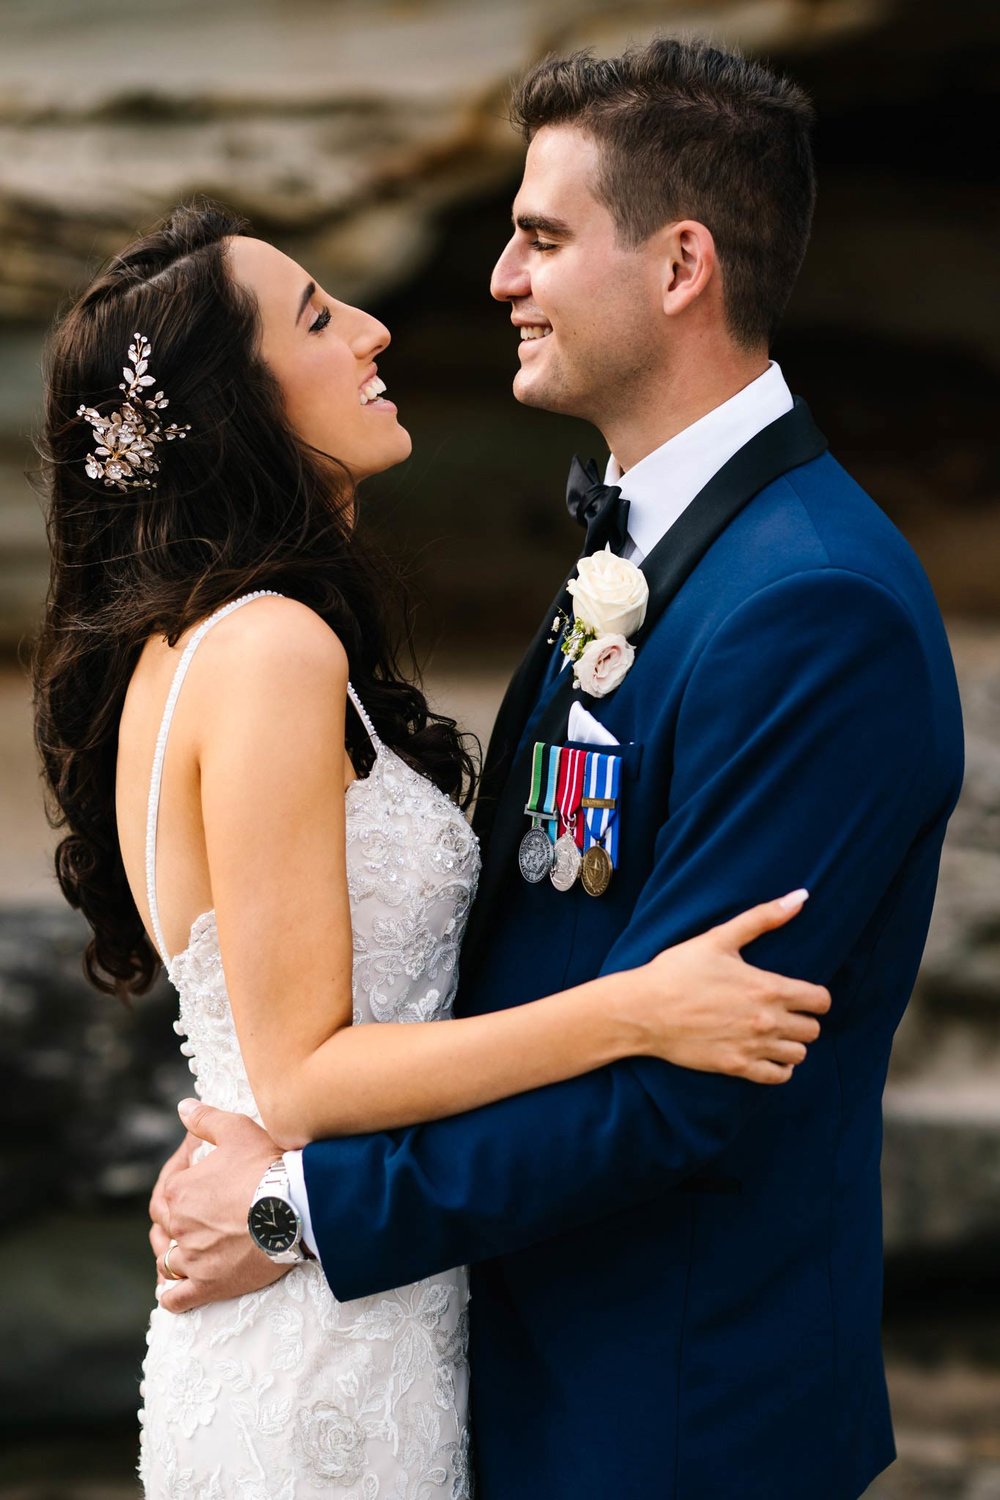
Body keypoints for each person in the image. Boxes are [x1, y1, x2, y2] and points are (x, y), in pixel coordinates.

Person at [151, 37, 965, 1500]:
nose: (496, 281)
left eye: (540, 237)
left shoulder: (813, 607)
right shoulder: (638, 546)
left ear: (679, 268)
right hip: (522, 1372)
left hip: (668, 1415)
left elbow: (687, 1084)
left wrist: (303, 1212)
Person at [32, 187, 828, 1498]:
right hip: (324, 1363)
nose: (373, 331)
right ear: (244, 405)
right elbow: (303, 1079)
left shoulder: (199, 643)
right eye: (317, 318)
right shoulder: (270, 652)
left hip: (327, 1298)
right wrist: (636, 1011)